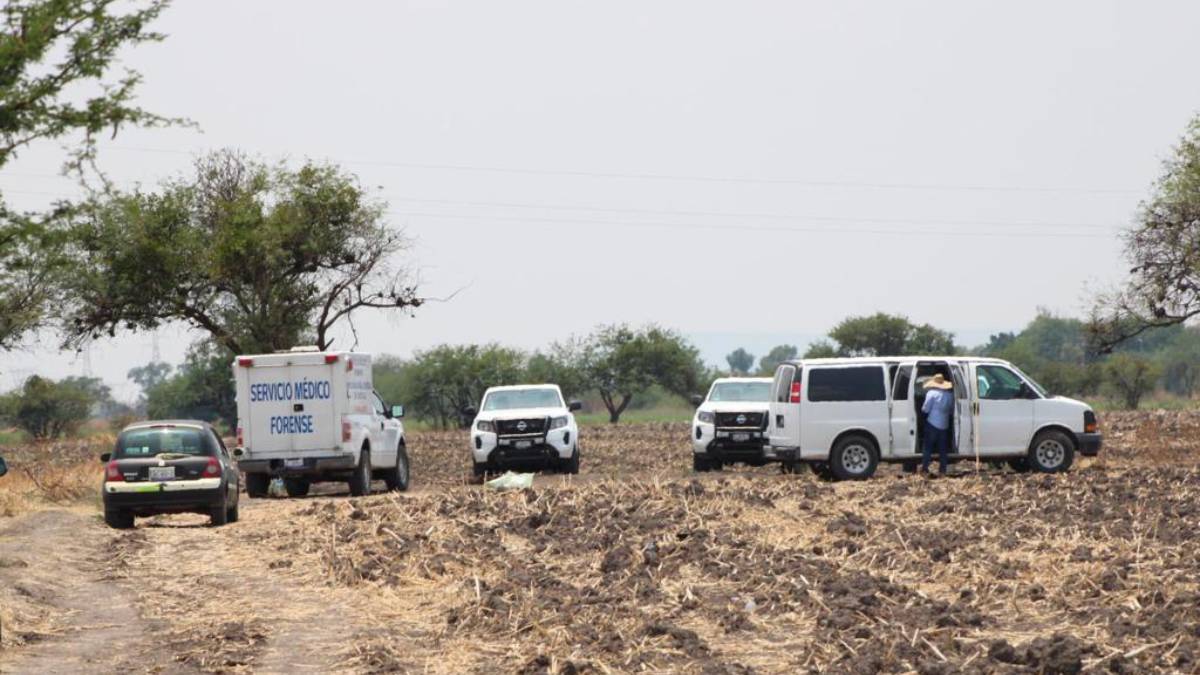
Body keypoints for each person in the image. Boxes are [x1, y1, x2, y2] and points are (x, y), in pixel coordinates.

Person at [920, 374, 954, 476]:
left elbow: (925, 409)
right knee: (943, 449)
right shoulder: (950, 395)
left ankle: (925, 468)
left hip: (932, 423)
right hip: (944, 424)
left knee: (928, 447)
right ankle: (942, 470)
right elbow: (951, 410)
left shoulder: (931, 393)